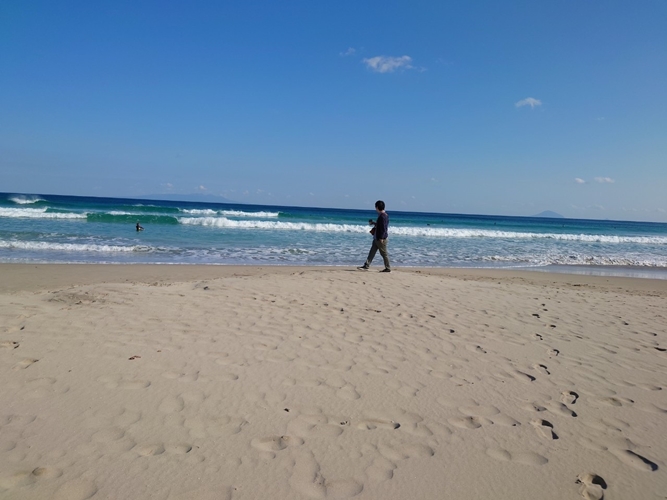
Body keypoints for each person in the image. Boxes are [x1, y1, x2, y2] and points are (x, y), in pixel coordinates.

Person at [358, 200, 391, 272]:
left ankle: (388, 268)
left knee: (384, 253)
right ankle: (366, 265)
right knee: (372, 252)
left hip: (380, 238)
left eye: (375, 207)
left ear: (377, 207)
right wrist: (374, 223)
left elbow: (383, 228)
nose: (375, 208)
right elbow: (381, 226)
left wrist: (381, 238)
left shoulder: (382, 216)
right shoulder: (384, 215)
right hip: (377, 238)